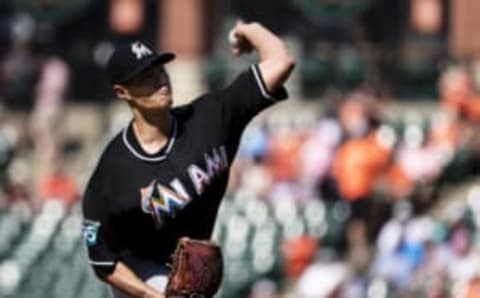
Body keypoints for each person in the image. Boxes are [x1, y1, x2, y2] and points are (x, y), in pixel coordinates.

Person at [81, 21, 295, 298]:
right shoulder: (113, 173)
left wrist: (248, 30)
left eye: (159, 69)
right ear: (123, 92)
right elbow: (104, 262)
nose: (159, 79)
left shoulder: (210, 118)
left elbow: (281, 62)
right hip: (142, 274)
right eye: (145, 76)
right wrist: (151, 295)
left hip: (188, 276)